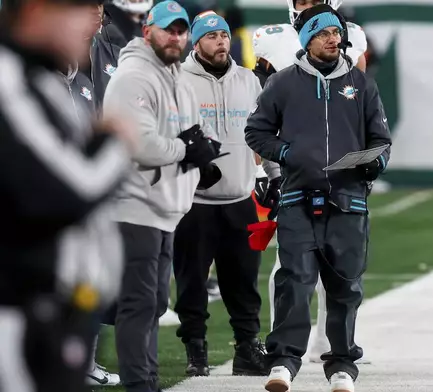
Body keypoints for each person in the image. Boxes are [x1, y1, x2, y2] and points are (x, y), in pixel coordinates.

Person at [245, 5, 391, 391]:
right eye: (324, 33)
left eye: (336, 33)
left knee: (346, 285)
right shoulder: (283, 83)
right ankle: (284, 362)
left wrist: (373, 164)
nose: (333, 38)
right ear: (308, 38)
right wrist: (289, 154)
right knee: (294, 281)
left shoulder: (361, 85)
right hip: (297, 199)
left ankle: (341, 364)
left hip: (349, 202)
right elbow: (256, 132)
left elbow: (381, 140)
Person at [0, 0, 135, 391]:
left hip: (52, 307)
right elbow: (69, 189)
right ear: (37, 10)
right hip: (17, 309)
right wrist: (114, 143)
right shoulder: (9, 79)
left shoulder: (41, 77)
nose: (93, 21)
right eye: (78, 8)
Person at [102, 2, 222, 391]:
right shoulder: (132, 77)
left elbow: (188, 134)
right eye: (168, 29)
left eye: (181, 30)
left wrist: (202, 150)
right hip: (134, 206)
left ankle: (143, 376)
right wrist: (187, 150)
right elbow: (140, 145)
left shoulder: (177, 78)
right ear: (146, 30)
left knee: (149, 304)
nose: (176, 36)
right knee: (138, 305)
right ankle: (141, 384)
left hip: (165, 209)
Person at [173, 9, 273, 378]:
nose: (221, 42)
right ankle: (195, 352)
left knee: (244, 283)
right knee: (192, 283)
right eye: (212, 36)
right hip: (193, 203)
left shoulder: (249, 80)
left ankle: (247, 349)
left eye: (225, 36)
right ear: (196, 42)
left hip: (239, 199)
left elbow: (263, 133)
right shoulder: (179, 79)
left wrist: (272, 175)